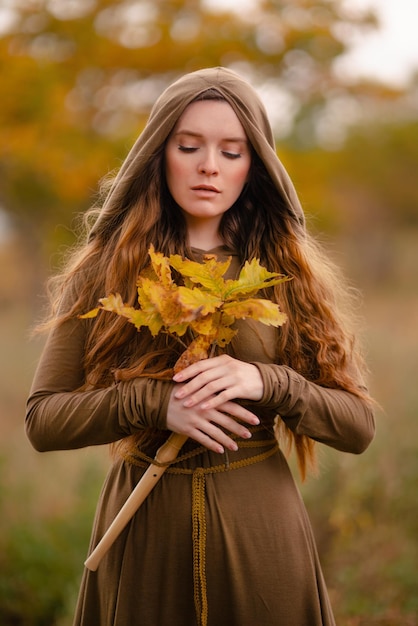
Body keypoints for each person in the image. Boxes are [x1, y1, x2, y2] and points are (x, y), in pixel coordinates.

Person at [26, 67, 375, 626]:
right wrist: (154, 403)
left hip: (262, 541)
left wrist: (268, 382)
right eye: (189, 146)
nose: (209, 165)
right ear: (159, 153)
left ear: (254, 166)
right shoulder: (105, 271)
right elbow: (43, 421)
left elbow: (358, 427)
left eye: (231, 152)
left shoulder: (286, 275)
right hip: (144, 540)